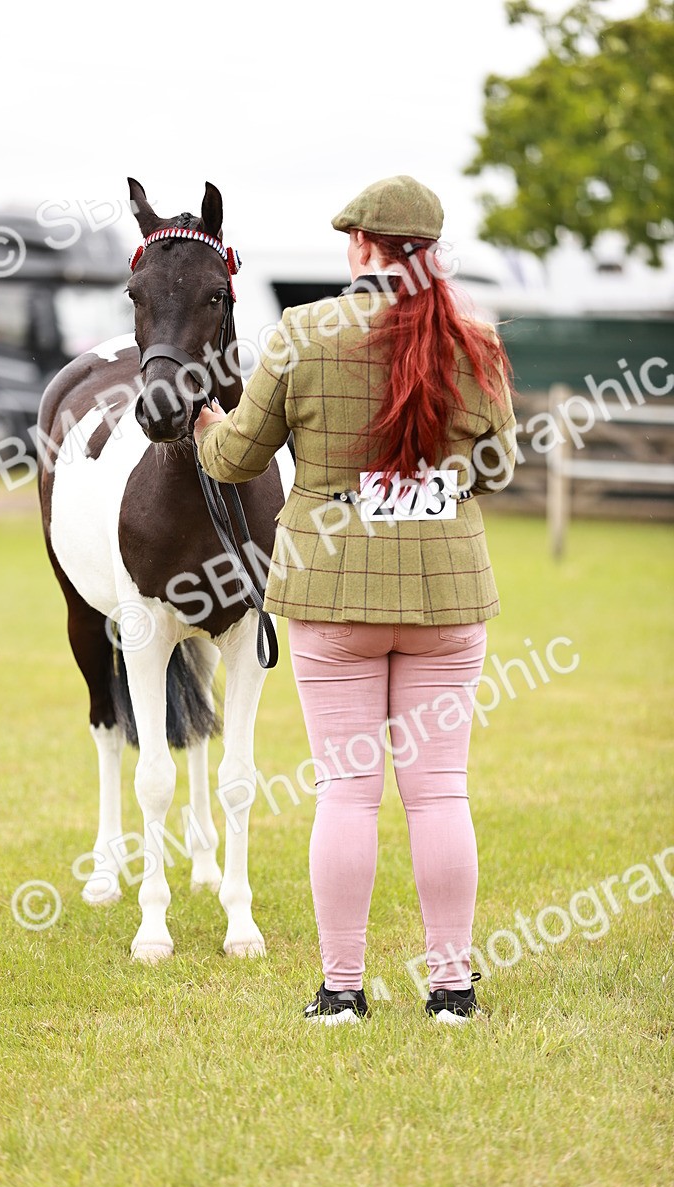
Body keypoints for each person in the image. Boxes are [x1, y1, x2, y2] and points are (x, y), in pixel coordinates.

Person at [195, 175, 516, 1027]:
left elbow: (236, 458)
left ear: (364, 247)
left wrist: (204, 426)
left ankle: (341, 992)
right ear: (431, 253)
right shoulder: (475, 340)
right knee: (439, 795)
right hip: (447, 597)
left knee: (346, 792)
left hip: (332, 598)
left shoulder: (302, 334)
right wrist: (426, 479)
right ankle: (452, 992)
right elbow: (497, 468)